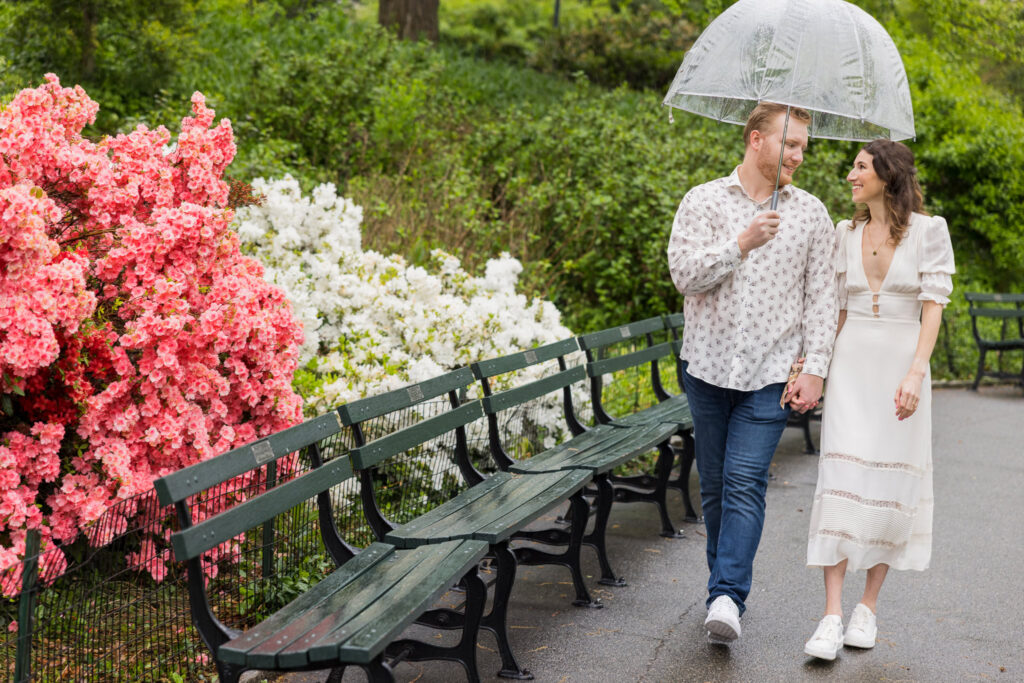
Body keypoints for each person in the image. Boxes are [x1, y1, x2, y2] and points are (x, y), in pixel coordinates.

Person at [667, 101, 838, 644]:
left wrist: (815, 368)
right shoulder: (704, 200)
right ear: (756, 139)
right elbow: (684, 275)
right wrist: (742, 243)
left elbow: (822, 299)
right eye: (790, 144)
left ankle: (727, 596)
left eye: (803, 148)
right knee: (715, 485)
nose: (798, 156)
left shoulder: (811, 213)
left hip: (771, 374)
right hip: (708, 368)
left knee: (744, 482)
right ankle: (723, 586)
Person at [803, 140, 954, 660]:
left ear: (887, 176)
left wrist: (916, 371)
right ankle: (830, 614)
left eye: (860, 167)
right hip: (851, 368)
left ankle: (866, 607)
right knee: (842, 478)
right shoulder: (844, 234)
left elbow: (932, 308)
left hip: (900, 369)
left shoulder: (929, 232)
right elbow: (835, 313)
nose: (850, 175)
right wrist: (814, 368)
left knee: (890, 479)